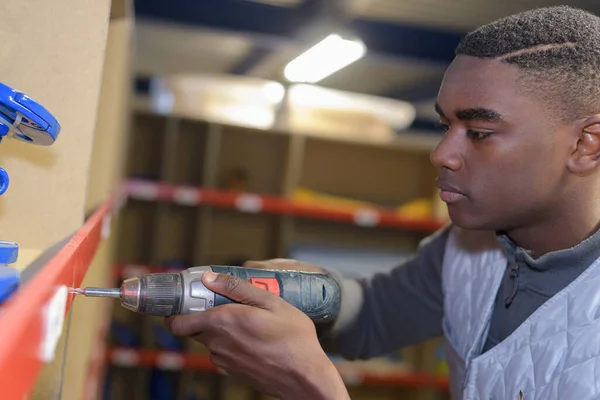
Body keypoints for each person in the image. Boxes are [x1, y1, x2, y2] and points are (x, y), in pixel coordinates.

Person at [165, 5, 600, 400]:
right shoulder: (469, 248)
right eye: (444, 125)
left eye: (480, 133)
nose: (441, 154)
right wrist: (308, 291)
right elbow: (374, 314)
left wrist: (313, 389)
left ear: (586, 143)